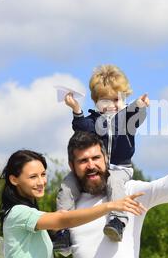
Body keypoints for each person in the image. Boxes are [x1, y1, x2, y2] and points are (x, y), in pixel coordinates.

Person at [0, 149, 146, 258]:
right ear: (14, 179)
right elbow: (61, 221)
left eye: (43, 174)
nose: (41, 182)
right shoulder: (17, 213)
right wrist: (110, 206)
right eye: (33, 177)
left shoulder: (34, 219)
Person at [61, 64, 149, 242]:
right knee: (67, 184)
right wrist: (76, 110)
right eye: (106, 101)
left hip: (119, 168)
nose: (112, 106)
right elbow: (80, 129)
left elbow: (135, 116)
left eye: (117, 100)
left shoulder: (125, 119)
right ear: (96, 102)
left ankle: (117, 220)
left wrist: (140, 106)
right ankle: (63, 229)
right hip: (94, 170)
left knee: (115, 181)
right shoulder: (92, 121)